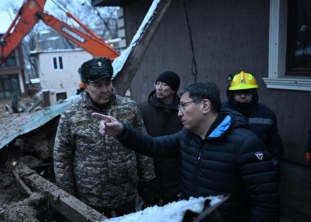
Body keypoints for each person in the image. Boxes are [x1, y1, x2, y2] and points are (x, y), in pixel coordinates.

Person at [92, 82, 281, 221]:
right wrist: (122, 131)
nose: (179, 113)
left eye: (183, 105)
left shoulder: (246, 145)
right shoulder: (187, 136)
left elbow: (266, 204)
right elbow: (153, 145)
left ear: (205, 106)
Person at [53, 57, 155, 218]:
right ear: (86, 86)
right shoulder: (71, 116)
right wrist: (69, 198)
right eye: (98, 85)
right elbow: (62, 159)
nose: (105, 89)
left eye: (108, 83)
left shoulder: (129, 108)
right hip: (91, 197)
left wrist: (147, 180)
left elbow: (142, 145)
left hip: (126, 191)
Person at [221, 71, 284, 178]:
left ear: (254, 93)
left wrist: (271, 171)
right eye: (238, 92)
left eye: (247, 92)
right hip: (228, 170)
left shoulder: (267, 115)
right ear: (232, 93)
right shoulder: (220, 112)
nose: (242, 96)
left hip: (257, 169)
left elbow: (273, 146)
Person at [137, 71, 183, 208]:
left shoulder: (183, 111)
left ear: (174, 89)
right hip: (150, 175)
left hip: (174, 175)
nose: (159, 87)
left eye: (164, 84)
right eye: (157, 83)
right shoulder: (143, 109)